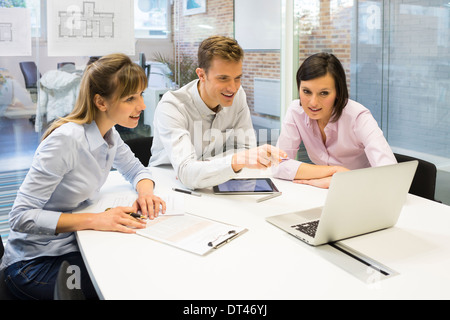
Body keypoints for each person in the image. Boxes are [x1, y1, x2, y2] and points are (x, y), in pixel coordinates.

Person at [1, 53, 165, 300]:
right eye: (131, 98)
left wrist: (146, 194)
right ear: (101, 102)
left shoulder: (109, 133)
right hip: (34, 264)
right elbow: (20, 217)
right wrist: (95, 219)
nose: (141, 105)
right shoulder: (65, 141)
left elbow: (136, 169)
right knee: (120, 288)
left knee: (137, 268)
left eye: (141, 94)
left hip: (71, 247)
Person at [149, 35, 286, 189]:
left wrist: (203, 166)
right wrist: (234, 160)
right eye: (223, 78)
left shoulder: (238, 94)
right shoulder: (172, 106)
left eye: (237, 78)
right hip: (169, 187)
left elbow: (245, 150)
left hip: (215, 183)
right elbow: (187, 174)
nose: (233, 88)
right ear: (201, 75)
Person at [274, 52, 396, 189]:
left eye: (324, 93)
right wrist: (333, 172)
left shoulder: (359, 118)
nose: (313, 103)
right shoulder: (296, 111)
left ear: (338, 92)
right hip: (323, 191)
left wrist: (343, 180)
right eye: (306, 91)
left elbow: (391, 177)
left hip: (363, 192)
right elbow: (278, 164)